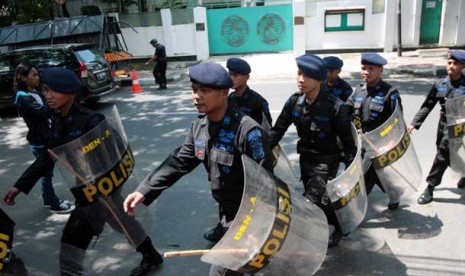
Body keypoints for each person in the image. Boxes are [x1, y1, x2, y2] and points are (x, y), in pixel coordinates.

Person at [2, 68, 162, 276]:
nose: (47, 96)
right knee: (120, 220)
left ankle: (70, 272)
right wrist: (19, 186)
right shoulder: (57, 120)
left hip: (99, 190)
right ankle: (150, 254)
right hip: (86, 189)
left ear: (70, 93)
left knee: (73, 238)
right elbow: (49, 156)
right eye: (45, 90)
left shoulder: (91, 120)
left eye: (53, 91)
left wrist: (106, 188)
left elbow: (117, 153)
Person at [123, 62, 272, 276]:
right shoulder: (199, 127)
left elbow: (266, 185)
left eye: (205, 91)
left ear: (223, 93)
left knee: (221, 272)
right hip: (227, 215)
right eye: (194, 90)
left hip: (247, 219)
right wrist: (143, 190)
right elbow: (179, 161)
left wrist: (258, 229)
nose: (196, 96)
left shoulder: (248, 132)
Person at [268, 54, 357, 248]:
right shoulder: (294, 102)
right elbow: (277, 131)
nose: (301, 80)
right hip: (306, 160)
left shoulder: (335, 107)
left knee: (310, 200)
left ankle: (306, 237)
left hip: (327, 162)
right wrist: (260, 151)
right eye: (299, 74)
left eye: (307, 76)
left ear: (319, 79)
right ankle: (341, 223)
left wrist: (351, 172)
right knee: (323, 201)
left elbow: (349, 144)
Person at [13, 63, 74, 214]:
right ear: (23, 77)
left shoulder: (34, 92)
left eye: (37, 74)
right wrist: (55, 100)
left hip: (47, 137)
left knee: (46, 173)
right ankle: (53, 203)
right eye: (33, 75)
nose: (37, 77)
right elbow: (44, 112)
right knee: (45, 173)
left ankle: (48, 200)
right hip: (40, 140)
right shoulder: (23, 97)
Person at [408, 50, 465, 204]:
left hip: (460, 126)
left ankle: (430, 187)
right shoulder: (440, 84)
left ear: (463, 66)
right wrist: (415, 123)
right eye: (449, 63)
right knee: (445, 152)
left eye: (455, 63)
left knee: (443, 153)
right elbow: (428, 105)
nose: (451, 66)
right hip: (444, 124)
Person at [348, 52, 402, 210]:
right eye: (364, 68)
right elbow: (346, 110)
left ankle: (355, 212)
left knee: (364, 178)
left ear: (381, 70)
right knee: (379, 174)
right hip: (362, 143)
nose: (366, 72)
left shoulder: (390, 93)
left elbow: (398, 121)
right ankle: (394, 192)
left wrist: (392, 143)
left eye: (371, 68)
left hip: (380, 145)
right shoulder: (358, 91)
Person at [226, 57, 273, 128]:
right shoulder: (230, 98)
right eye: (230, 74)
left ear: (247, 77)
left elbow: (267, 130)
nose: (232, 78)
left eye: (235, 75)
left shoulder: (258, 101)